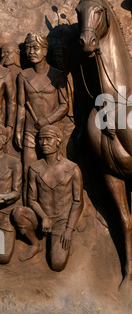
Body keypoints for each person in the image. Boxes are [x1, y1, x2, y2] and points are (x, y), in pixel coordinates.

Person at [12, 125, 83, 271]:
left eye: (48, 139)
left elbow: (78, 202)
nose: (44, 143)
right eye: (41, 140)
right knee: (18, 213)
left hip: (62, 221)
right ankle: (35, 244)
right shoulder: (35, 169)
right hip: (41, 218)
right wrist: (43, 216)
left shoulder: (72, 169)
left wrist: (69, 230)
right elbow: (31, 200)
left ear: (58, 141)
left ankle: (61, 244)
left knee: (57, 264)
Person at [15, 33, 69, 199]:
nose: (31, 52)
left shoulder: (57, 75)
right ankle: (29, 210)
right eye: (28, 49)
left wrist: (47, 120)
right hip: (30, 132)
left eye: (36, 48)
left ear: (45, 51)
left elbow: (64, 105)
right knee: (28, 171)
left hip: (53, 131)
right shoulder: (23, 76)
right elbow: (21, 106)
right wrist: (18, 129)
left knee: (58, 173)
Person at [0, 124, 22, 264]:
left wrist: (4, 197)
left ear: (3, 139)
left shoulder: (13, 162)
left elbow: (16, 192)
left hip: (4, 214)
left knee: (3, 257)